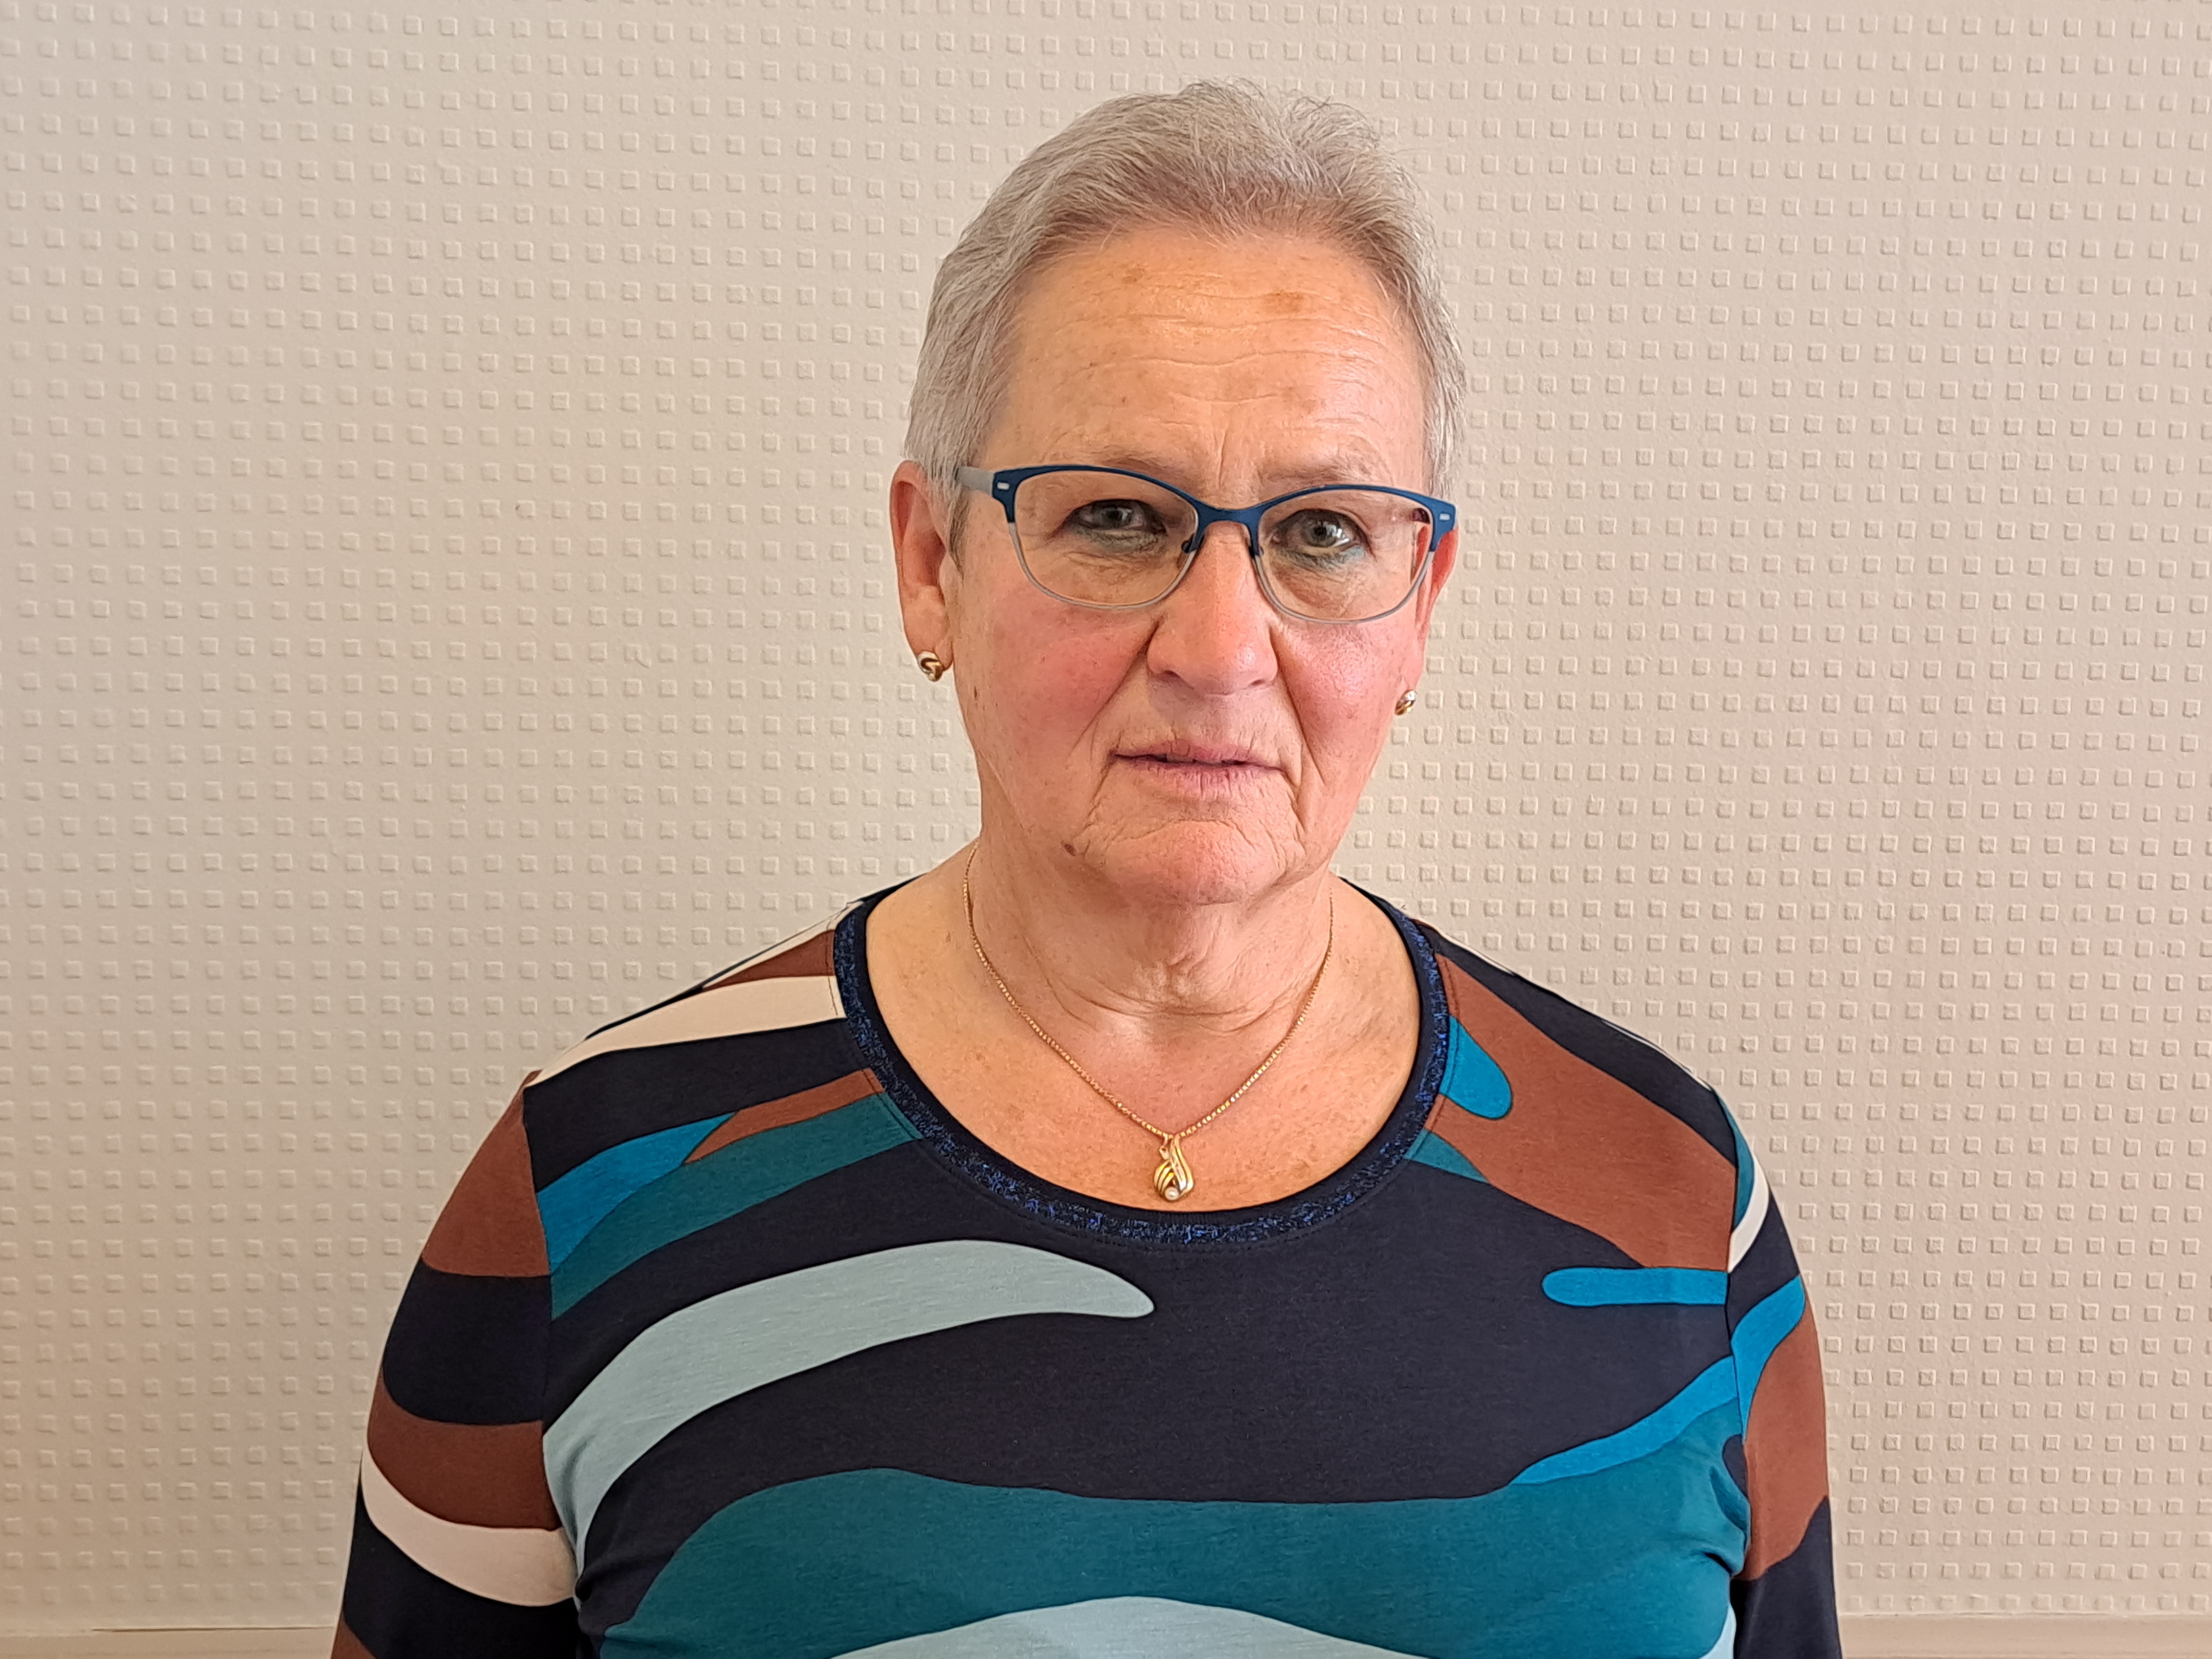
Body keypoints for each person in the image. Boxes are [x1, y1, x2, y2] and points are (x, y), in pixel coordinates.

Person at [331, 82, 1840, 1659]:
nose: (1221, 647)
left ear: (1423, 600)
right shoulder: (591, 1187)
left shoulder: (1677, 1199)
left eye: (1323, 533)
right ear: (932, 565)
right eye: (1117, 517)